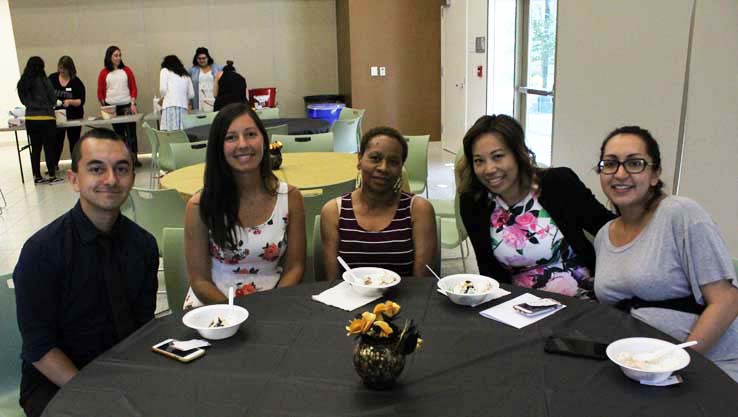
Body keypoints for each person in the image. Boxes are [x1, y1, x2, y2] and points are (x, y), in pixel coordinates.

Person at [13, 128, 159, 417]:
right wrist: (96, 394)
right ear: (74, 180)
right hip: (56, 383)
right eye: (96, 169)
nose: (111, 180)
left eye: (121, 168)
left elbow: (143, 327)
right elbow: (39, 348)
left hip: (123, 374)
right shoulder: (41, 253)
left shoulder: (143, 245)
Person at [593, 125, 738, 381]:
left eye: (635, 163)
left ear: (654, 174)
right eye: (610, 163)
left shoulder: (681, 214)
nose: (620, 173)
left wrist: (678, 364)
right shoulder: (604, 235)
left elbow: (726, 301)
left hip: (707, 364)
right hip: (639, 365)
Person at [457, 115, 614, 298]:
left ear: (518, 153)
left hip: (584, 299)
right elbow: (489, 272)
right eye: (479, 161)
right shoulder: (474, 203)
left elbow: (609, 228)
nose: (489, 169)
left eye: (498, 156)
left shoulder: (559, 183)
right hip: (520, 309)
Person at [183, 103, 305, 309]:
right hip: (215, 305)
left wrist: (273, 307)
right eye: (231, 137)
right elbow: (200, 281)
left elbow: (295, 268)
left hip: (275, 302)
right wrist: (236, 314)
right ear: (218, 147)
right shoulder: (199, 206)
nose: (243, 144)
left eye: (250, 134)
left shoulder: (290, 197)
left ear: (264, 141)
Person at [320, 126, 437, 280]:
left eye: (393, 162)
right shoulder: (334, 212)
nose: (383, 168)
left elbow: (422, 282)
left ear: (401, 167)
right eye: (375, 158)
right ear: (359, 160)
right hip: (349, 302)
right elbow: (332, 282)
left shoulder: (419, 210)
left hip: (404, 302)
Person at [17, 56, 63, 184]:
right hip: (46, 117)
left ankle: (37, 176)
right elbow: (53, 99)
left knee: (35, 148)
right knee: (49, 147)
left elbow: (23, 101)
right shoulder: (44, 80)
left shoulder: (22, 82)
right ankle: (52, 176)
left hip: (31, 118)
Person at [97, 45, 141, 166]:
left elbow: (133, 88)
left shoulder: (126, 70)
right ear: (109, 57)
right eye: (115, 55)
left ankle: (134, 158)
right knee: (119, 135)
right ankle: (122, 160)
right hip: (112, 107)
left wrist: (132, 103)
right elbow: (100, 92)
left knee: (131, 133)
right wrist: (104, 106)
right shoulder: (104, 73)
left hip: (126, 104)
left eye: (119, 55)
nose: (118, 58)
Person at [49, 55, 86, 172]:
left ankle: (75, 165)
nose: (62, 71)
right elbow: (45, 94)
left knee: (74, 141)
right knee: (56, 141)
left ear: (70, 69)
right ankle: (53, 164)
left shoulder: (76, 82)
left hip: (74, 116)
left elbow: (81, 101)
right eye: (60, 68)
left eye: (64, 69)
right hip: (57, 116)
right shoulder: (52, 79)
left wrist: (70, 101)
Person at [159, 55, 194, 131]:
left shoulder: (164, 71)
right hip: (183, 108)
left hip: (169, 106)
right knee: (182, 133)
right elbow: (191, 94)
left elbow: (162, 89)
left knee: (169, 134)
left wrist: (163, 98)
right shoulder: (185, 74)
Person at [189, 47, 222, 112]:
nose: (201, 60)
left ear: (208, 58)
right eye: (199, 58)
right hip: (199, 100)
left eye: (204, 58)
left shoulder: (217, 68)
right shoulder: (192, 70)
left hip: (213, 98)